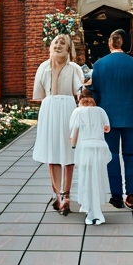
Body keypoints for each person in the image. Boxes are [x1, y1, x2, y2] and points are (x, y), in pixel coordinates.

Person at [89, 29, 133, 209]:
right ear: (125, 44)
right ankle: (131, 194)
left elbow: (95, 92)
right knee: (131, 155)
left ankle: (116, 195)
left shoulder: (99, 65)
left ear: (110, 44)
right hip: (130, 115)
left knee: (111, 155)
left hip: (107, 117)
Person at [32, 33, 83, 214]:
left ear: (69, 49)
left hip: (68, 109)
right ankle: (58, 195)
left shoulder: (74, 68)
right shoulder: (43, 67)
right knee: (52, 153)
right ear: (50, 46)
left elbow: (79, 90)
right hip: (49, 110)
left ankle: (66, 194)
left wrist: (83, 95)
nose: (58, 45)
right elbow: (39, 94)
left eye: (63, 43)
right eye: (56, 42)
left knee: (69, 153)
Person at [68, 86, 111, 226]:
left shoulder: (77, 112)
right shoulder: (101, 111)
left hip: (84, 148)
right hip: (99, 147)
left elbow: (74, 134)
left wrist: (73, 147)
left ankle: (90, 212)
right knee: (97, 179)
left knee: (86, 179)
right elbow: (107, 129)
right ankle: (97, 212)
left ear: (80, 99)